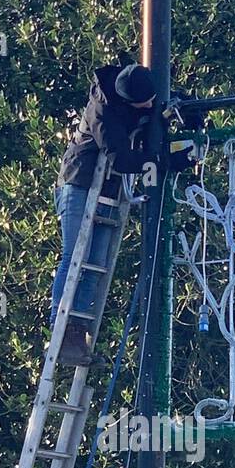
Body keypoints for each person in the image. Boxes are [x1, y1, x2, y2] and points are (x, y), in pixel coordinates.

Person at [52, 60, 195, 366]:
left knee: (96, 263)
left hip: (108, 191)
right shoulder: (102, 112)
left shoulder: (138, 83)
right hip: (80, 184)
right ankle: (61, 331)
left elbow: (158, 108)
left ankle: (79, 334)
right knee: (76, 256)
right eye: (147, 103)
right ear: (130, 100)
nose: (152, 105)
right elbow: (122, 158)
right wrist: (164, 161)